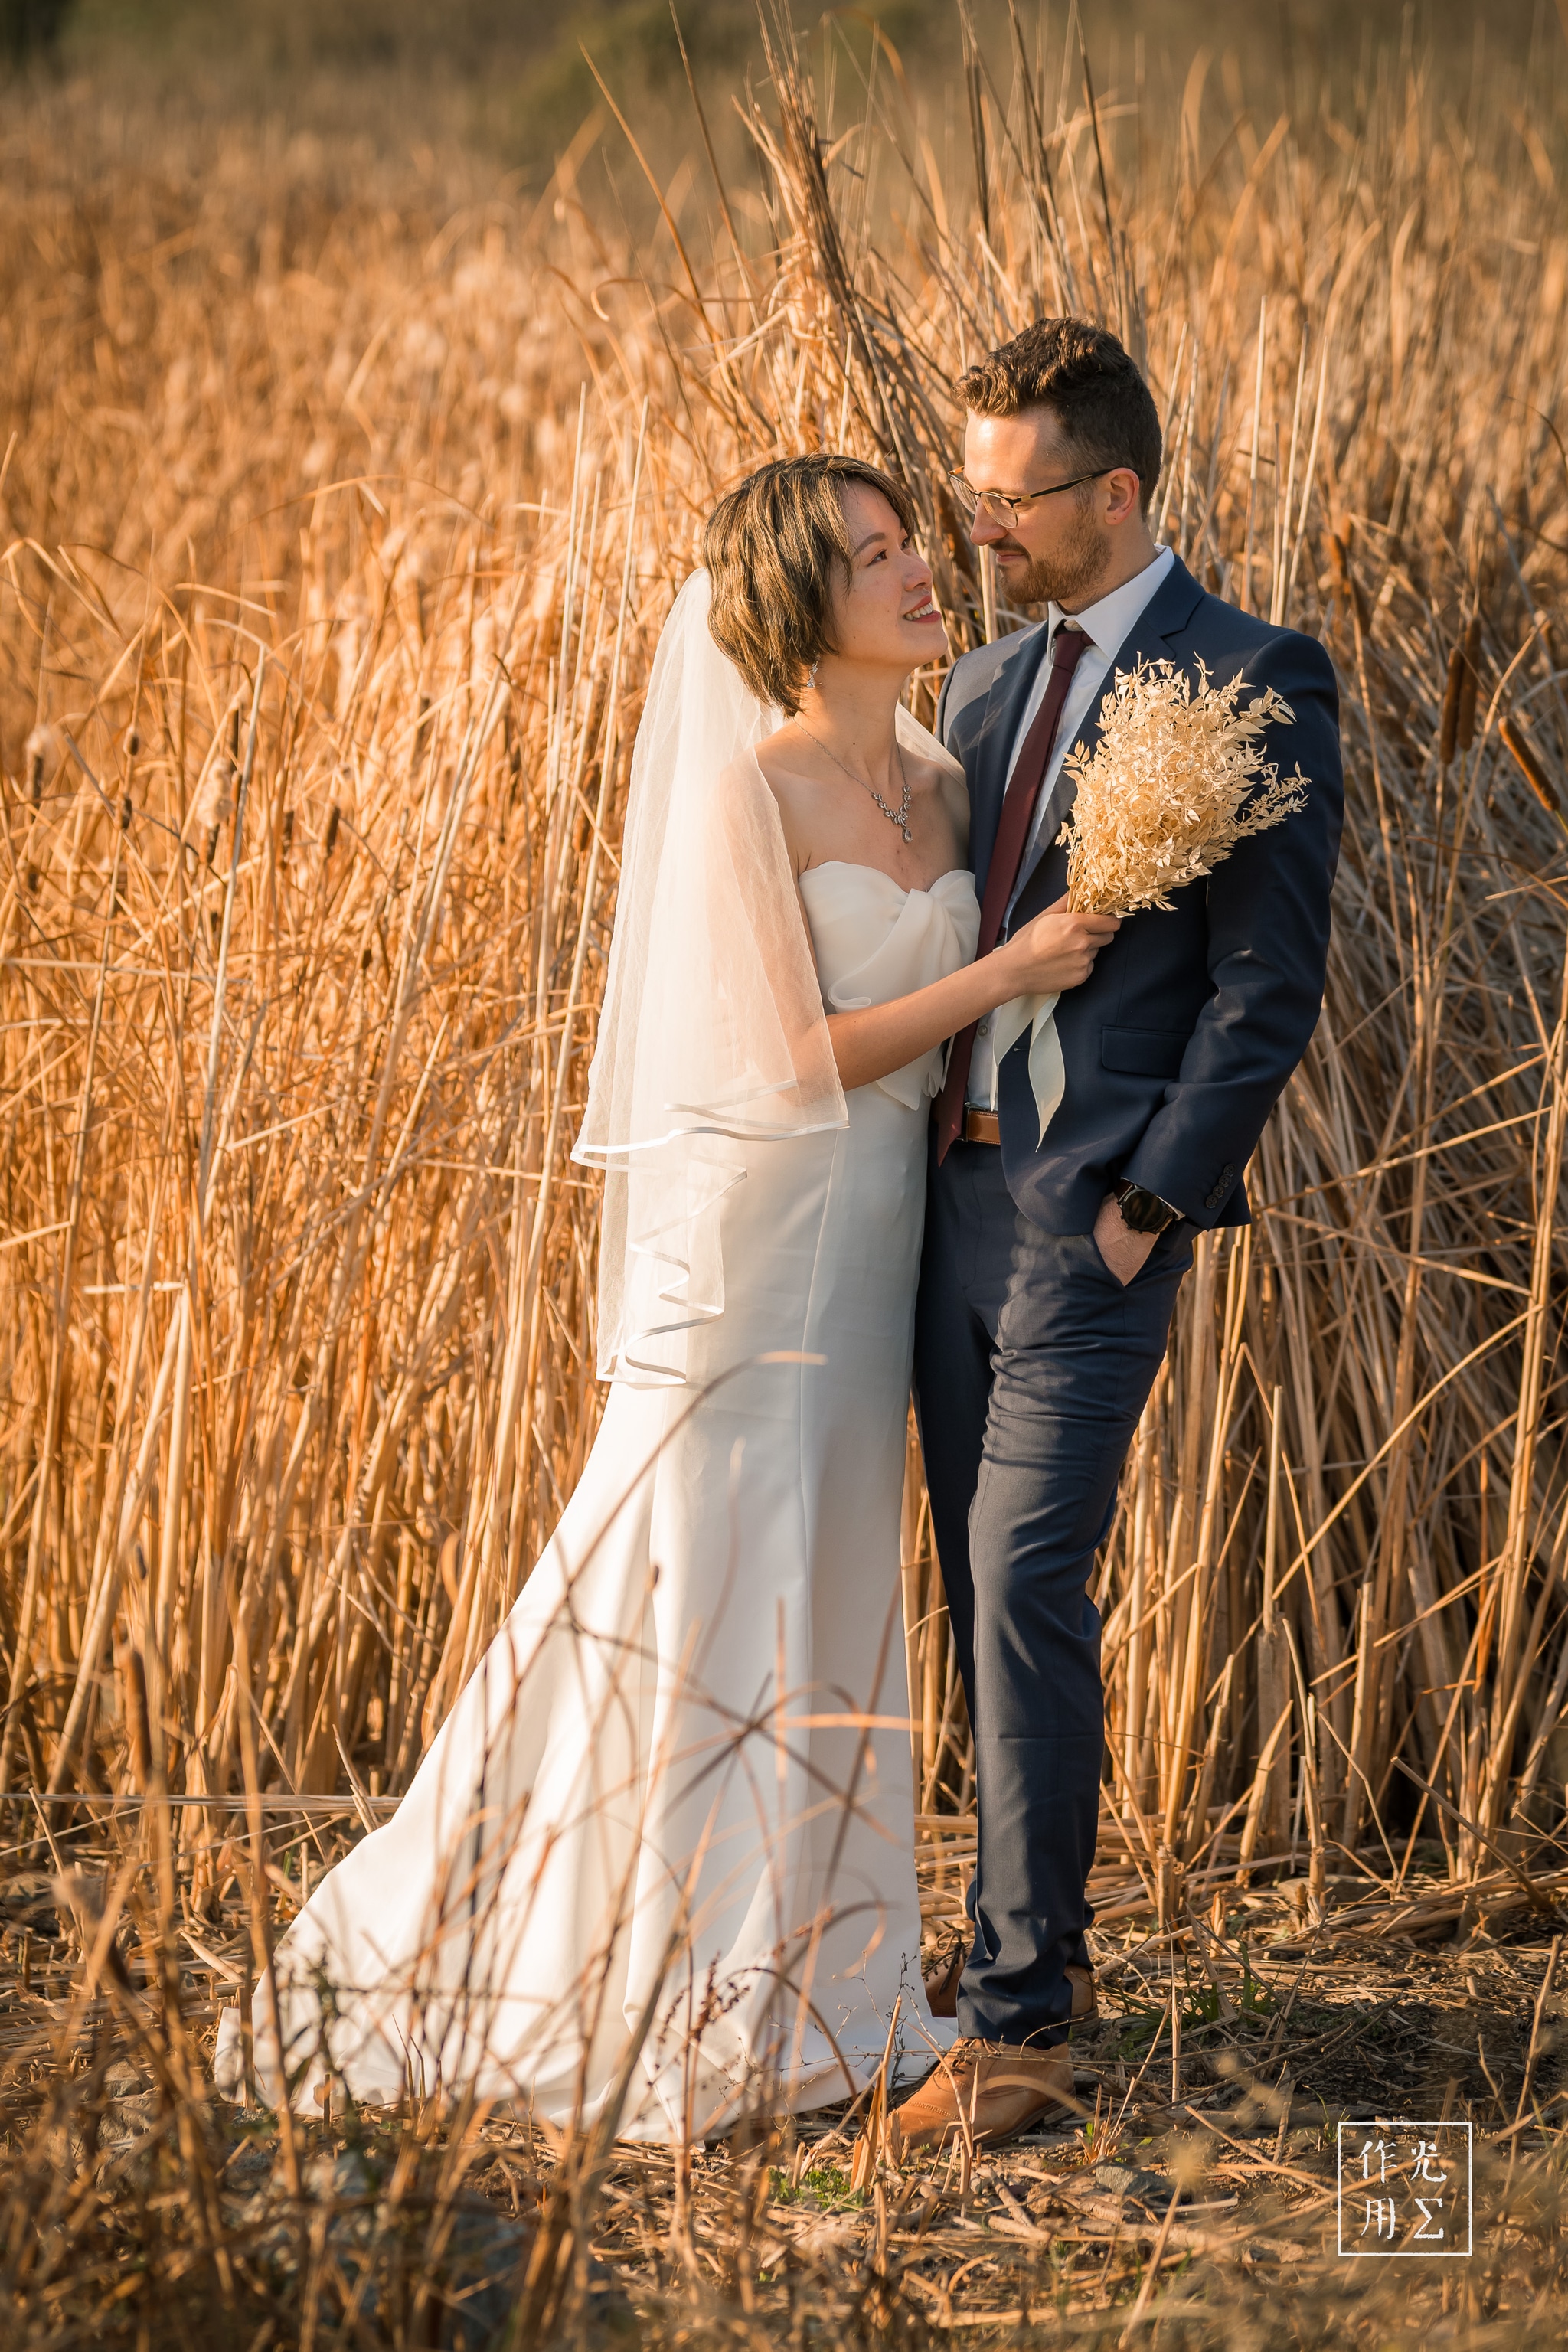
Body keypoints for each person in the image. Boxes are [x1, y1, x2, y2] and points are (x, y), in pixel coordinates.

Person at [214, 454, 1116, 2141]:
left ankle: (808, 1977)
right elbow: (782, 1058)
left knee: (830, 1580)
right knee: (697, 1565)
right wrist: (1002, 970)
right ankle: (610, 1957)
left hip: (883, 1258)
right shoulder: (747, 796)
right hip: (762, 1248)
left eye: (912, 541)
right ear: (796, 605)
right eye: (874, 555)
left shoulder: (939, 772)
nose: (920, 570)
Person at [890, 319, 1344, 2154]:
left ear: (1115, 493)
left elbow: (1268, 983)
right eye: (973, 495)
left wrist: (1154, 1205)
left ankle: (1021, 2035)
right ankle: (1005, 1965)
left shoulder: (1254, 673)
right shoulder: (987, 691)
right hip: (943, 1214)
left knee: (1019, 1577)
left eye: (1010, 499)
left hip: (1093, 1228)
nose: (980, 526)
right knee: (973, 1593)